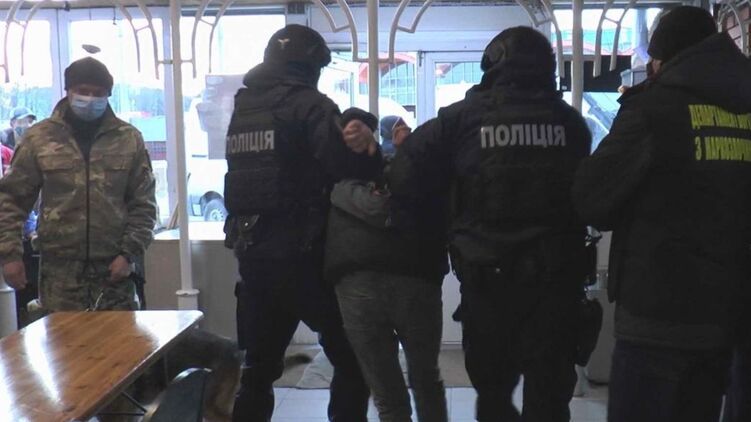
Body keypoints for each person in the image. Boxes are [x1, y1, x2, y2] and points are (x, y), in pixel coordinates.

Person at [388, 26, 591, 422]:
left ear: (493, 63)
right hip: (556, 283)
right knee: (550, 398)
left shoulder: (461, 119)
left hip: (488, 282)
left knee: (494, 395)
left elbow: (405, 177)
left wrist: (443, 221)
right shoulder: (569, 122)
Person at [571, 6, 751, 422]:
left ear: (662, 57)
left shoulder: (653, 109)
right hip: (725, 316)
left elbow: (591, 198)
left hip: (656, 313)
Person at [223, 24, 379, 422]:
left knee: (257, 372)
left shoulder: (244, 107)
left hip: (253, 259)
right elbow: (346, 167)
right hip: (306, 260)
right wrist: (368, 145)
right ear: (310, 66)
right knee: (353, 360)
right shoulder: (310, 104)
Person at [0, 56, 157, 312]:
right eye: (83, 91)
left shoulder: (128, 139)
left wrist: (129, 254)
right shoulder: (40, 138)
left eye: (98, 93)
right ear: (69, 91)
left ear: (108, 95)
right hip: (60, 274)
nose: (90, 99)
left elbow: (144, 204)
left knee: (119, 338)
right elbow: (11, 200)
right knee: (63, 337)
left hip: (114, 272)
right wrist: (9, 255)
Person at [325, 108, 449, 422]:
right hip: (415, 275)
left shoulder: (335, 180)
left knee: (387, 395)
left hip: (356, 282)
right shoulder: (416, 170)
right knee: (426, 380)